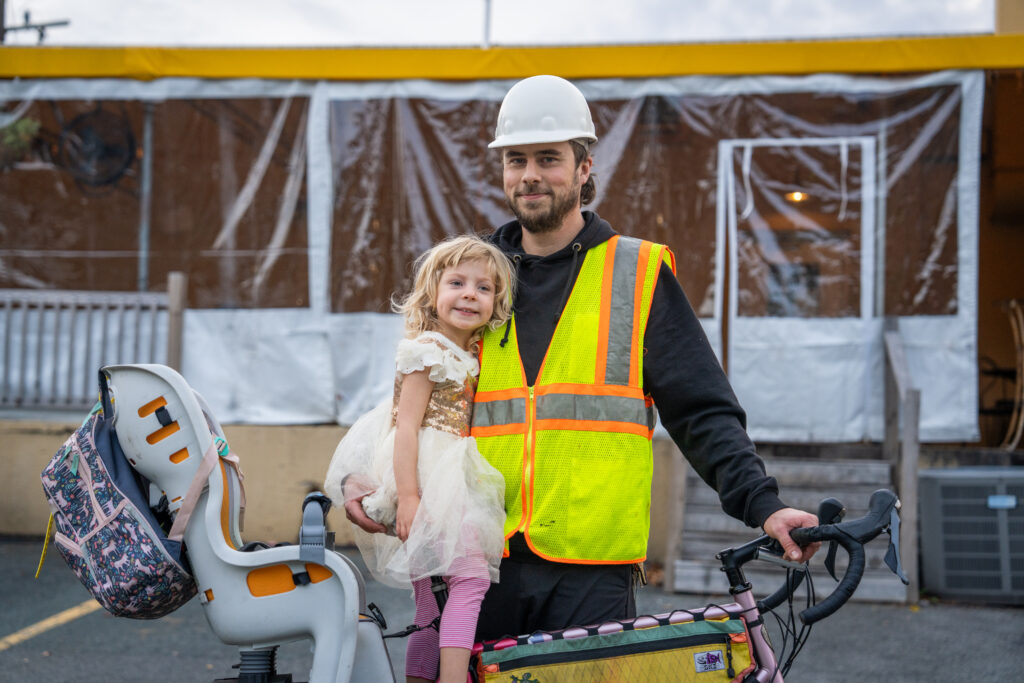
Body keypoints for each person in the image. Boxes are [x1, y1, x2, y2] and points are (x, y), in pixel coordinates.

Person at [468, 74, 820, 641]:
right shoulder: (472, 278)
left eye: (548, 158)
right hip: (477, 562)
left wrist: (763, 504)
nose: (529, 175)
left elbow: (700, 409)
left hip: (591, 570)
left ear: (584, 169)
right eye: (516, 159)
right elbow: (421, 395)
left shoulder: (636, 275)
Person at [324, 235, 515, 683]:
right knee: (470, 580)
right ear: (432, 293)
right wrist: (408, 496)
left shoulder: (473, 354)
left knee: (432, 600)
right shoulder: (426, 351)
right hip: (429, 476)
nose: (470, 294)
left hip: (450, 472)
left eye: (484, 288)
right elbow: (405, 426)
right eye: (457, 283)